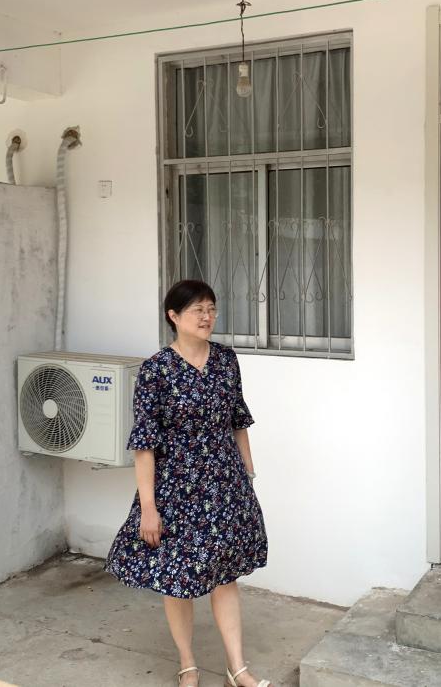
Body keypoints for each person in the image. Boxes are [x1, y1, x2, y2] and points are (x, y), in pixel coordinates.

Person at [105, 280, 269, 687]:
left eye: (211, 308)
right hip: (176, 488)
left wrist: (247, 473)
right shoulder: (156, 370)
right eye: (197, 309)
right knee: (177, 579)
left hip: (224, 484)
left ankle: (237, 668)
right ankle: (188, 664)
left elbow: (238, 419)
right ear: (173, 316)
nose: (207, 316)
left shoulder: (226, 360)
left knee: (225, 574)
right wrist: (148, 508)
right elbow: (144, 444)